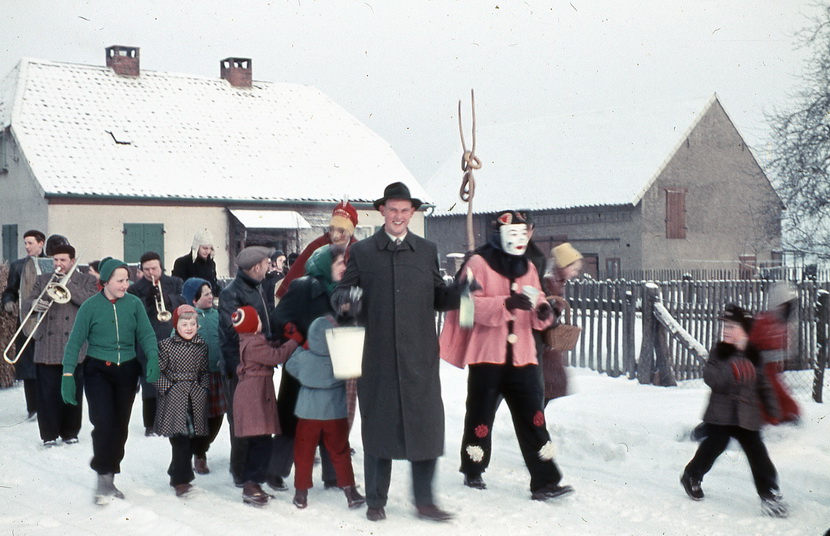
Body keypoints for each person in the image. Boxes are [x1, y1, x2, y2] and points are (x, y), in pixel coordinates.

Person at [332, 181, 465, 522]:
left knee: (425, 428)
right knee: (379, 428)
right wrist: (346, 302)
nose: (399, 216)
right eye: (393, 209)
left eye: (405, 210)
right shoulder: (363, 253)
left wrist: (461, 292)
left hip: (419, 357)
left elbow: (438, 296)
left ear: (412, 213)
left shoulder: (425, 250)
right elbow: (342, 293)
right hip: (377, 358)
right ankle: (376, 500)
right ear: (382, 211)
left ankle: (425, 501)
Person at [440, 210, 573, 501]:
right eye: (513, 234)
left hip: (523, 358)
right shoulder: (478, 263)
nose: (519, 240)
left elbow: (538, 304)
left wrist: (544, 313)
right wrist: (506, 303)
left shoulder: (528, 267)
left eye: (523, 234)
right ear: (499, 235)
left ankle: (546, 480)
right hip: (488, 356)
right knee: (480, 414)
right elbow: (466, 306)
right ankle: (473, 467)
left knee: (535, 418)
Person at [61, 257, 160, 504]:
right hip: (97, 372)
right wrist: (67, 374)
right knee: (104, 424)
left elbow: (146, 334)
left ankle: (110, 477)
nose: (125, 285)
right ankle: (103, 481)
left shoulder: (134, 304)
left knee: (120, 428)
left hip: (126, 371)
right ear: (105, 281)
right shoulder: (90, 307)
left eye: (127, 280)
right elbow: (74, 343)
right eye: (119, 281)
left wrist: (154, 359)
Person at [680, 304, 787, 518]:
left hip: (747, 415)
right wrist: (730, 370)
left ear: (745, 330)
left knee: (757, 452)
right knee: (714, 445)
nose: (727, 330)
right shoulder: (719, 352)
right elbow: (711, 378)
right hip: (721, 413)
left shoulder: (754, 356)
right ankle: (692, 475)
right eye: (725, 326)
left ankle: (769, 493)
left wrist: (773, 409)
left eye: (732, 326)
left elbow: (764, 384)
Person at [268, 245, 349, 492]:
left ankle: (332, 475)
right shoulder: (303, 286)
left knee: (332, 414)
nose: (344, 268)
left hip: (332, 363)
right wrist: (300, 340)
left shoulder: (342, 291)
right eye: (339, 263)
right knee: (292, 417)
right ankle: (275, 471)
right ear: (325, 265)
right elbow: (279, 318)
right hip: (302, 366)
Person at [285, 315, 365, 510]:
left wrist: (301, 347)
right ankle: (350, 491)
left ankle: (301, 494)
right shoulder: (340, 360)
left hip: (308, 413)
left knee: (304, 452)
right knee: (340, 450)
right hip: (334, 413)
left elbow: (289, 365)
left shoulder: (303, 358)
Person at [22, 244, 97, 446]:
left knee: (72, 390)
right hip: (47, 344)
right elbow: (28, 302)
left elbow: (90, 302)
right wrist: (36, 304)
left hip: (74, 343)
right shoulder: (43, 280)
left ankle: (70, 432)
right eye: (55, 260)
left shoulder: (86, 280)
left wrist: (67, 284)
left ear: (72, 261)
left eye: (63, 260)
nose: (58, 264)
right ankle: (48, 434)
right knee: (47, 393)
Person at [218, 245, 275, 486]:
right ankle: (239, 470)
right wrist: (241, 366)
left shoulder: (258, 286)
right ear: (255, 268)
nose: (270, 266)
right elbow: (232, 333)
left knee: (259, 418)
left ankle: (257, 468)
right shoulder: (233, 293)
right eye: (266, 263)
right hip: (241, 368)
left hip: (258, 364)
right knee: (241, 420)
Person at [231, 305, 299, 506]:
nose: (262, 321)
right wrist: (293, 342)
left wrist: (277, 340)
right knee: (262, 443)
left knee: (257, 441)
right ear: (253, 326)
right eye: (258, 319)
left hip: (254, 394)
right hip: (255, 397)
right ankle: (252, 484)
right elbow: (275, 357)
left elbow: (268, 349)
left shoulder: (250, 341)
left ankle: (253, 483)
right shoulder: (254, 345)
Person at [153, 304, 210, 497]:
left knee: (193, 437)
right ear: (176, 325)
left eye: (192, 324)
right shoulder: (166, 346)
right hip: (174, 398)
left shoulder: (201, 345)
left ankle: (176, 469)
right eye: (184, 324)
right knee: (180, 437)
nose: (189, 328)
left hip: (194, 397)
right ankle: (181, 480)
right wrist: (168, 388)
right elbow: (155, 373)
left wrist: (203, 386)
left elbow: (203, 371)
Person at [127, 251, 185, 436]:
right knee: (150, 382)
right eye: (146, 269)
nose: (151, 272)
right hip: (148, 339)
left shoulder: (175, 282)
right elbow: (133, 311)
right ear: (141, 269)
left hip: (171, 336)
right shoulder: (135, 288)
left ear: (161, 267)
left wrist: (168, 299)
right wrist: (148, 301)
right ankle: (150, 424)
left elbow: (183, 302)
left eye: (154, 268)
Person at [182, 277, 226, 475]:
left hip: (218, 373)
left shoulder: (219, 315)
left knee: (217, 415)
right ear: (194, 299)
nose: (210, 296)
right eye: (205, 294)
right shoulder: (188, 318)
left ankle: (202, 446)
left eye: (210, 292)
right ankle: (199, 453)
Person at [2, 229, 47, 418]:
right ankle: (33, 408)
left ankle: (49, 405)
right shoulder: (18, 265)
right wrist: (8, 301)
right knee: (29, 364)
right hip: (26, 319)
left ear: (41, 243)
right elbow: (10, 290)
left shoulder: (52, 263)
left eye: (30, 243)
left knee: (48, 363)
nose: (27, 247)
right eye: (25, 243)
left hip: (49, 321)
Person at [276, 200, 358, 299]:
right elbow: (295, 276)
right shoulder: (317, 247)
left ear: (350, 232)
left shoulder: (358, 250)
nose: (335, 236)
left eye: (341, 231)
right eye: (331, 229)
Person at [750, 282, 801, 424]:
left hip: (771, 370)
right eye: (784, 306)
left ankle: (787, 417)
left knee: (780, 396)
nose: (786, 310)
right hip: (756, 369)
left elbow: (784, 349)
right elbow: (749, 344)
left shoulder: (783, 325)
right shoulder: (762, 321)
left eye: (789, 307)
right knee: (766, 396)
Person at [541, 243, 584, 405]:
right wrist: (552, 320)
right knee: (548, 384)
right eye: (573, 268)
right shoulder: (549, 281)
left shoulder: (559, 281)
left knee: (555, 383)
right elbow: (543, 309)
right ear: (563, 265)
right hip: (543, 343)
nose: (575, 273)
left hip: (550, 343)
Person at [171, 229, 221, 294]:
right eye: (205, 248)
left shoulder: (211, 264)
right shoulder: (182, 263)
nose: (208, 251)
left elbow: (214, 285)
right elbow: (178, 288)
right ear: (197, 247)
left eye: (210, 248)